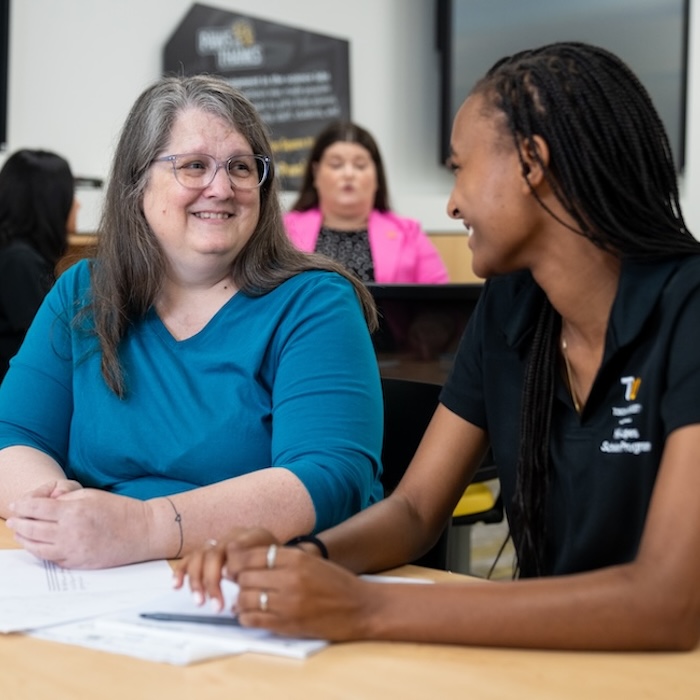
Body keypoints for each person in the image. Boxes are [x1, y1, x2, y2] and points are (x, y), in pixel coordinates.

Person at [175, 42, 700, 651]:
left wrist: (367, 607)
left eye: (459, 167)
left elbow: (668, 603)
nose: (451, 202)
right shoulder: (509, 307)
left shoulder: (688, 308)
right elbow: (417, 511)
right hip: (555, 664)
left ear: (533, 163)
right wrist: (304, 557)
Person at [0, 74, 384, 570]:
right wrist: (57, 518)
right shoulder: (84, 291)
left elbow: (330, 476)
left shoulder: (316, 303)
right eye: (195, 166)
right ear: (137, 185)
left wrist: (142, 528)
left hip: (257, 582)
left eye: (241, 168)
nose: (221, 188)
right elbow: (12, 434)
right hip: (96, 581)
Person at [283, 120, 449, 284]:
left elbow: (439, 303)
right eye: (336, 165)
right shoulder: (283, 231)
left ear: (376, 176)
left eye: (360, 166)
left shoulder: (409, 234)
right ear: (316, 173)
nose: (348, 174)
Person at [0, 149, 78, 382]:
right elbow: (57, 342)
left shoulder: (15, 254)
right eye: (70, 195)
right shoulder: (19, 262)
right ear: (50, 202)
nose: (77, 205)